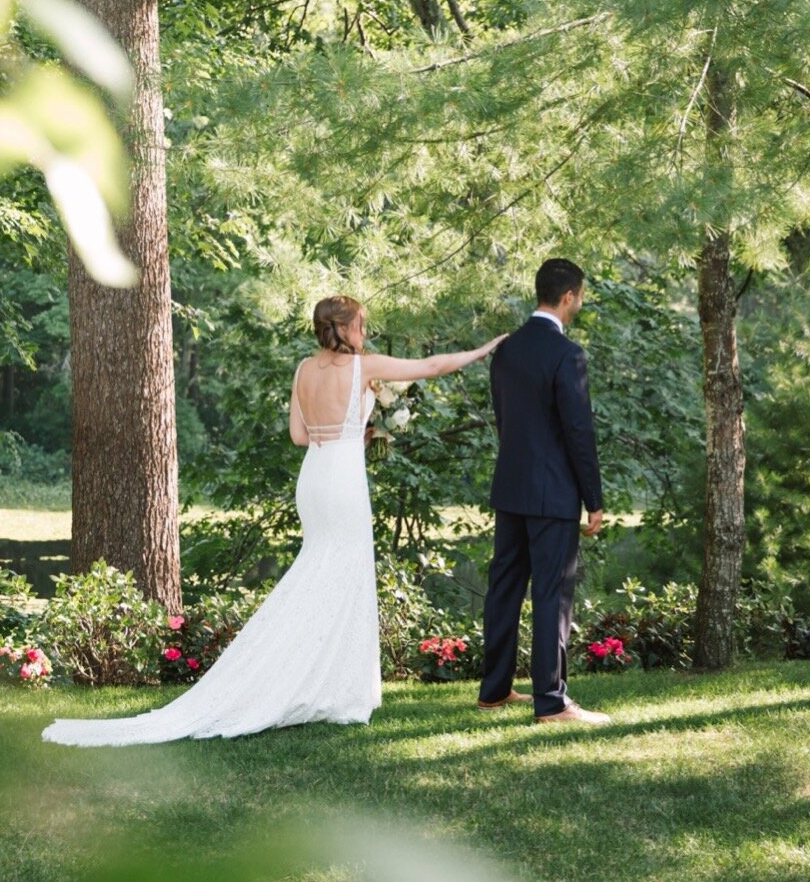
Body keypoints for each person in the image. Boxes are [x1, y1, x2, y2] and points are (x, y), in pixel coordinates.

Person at [42, 296, 505, 746]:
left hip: (315, 478)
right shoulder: (365, 368)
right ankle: (333, 690)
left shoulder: (304, 369)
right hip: (343, 480)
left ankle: (317, 681)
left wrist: (350, 433)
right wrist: (486, 349)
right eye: (361, 325)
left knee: (319, 572)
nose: (365, 333)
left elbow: (299, 435)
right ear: (342, 329)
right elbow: (431, 367)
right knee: (342, 577)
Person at [477, 257, 610, 725]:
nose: (579, 304)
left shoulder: (507, 350)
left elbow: (504, 419)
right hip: (552, 490)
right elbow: (579, 431)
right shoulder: (566, 354)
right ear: (569, 296)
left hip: (510, 483)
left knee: (505, 588)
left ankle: (493, 691)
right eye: (580, 296)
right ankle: (551, 702)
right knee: (552, 593)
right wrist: (593, 499)